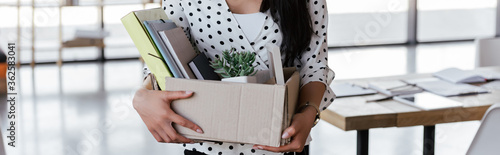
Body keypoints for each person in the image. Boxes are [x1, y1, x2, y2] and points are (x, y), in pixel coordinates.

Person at [133, 0, 335, 154]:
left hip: (282, 141)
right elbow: (162, 60)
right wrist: (143, 95)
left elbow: (314, 64)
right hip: (208, 144)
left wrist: (309, 112)